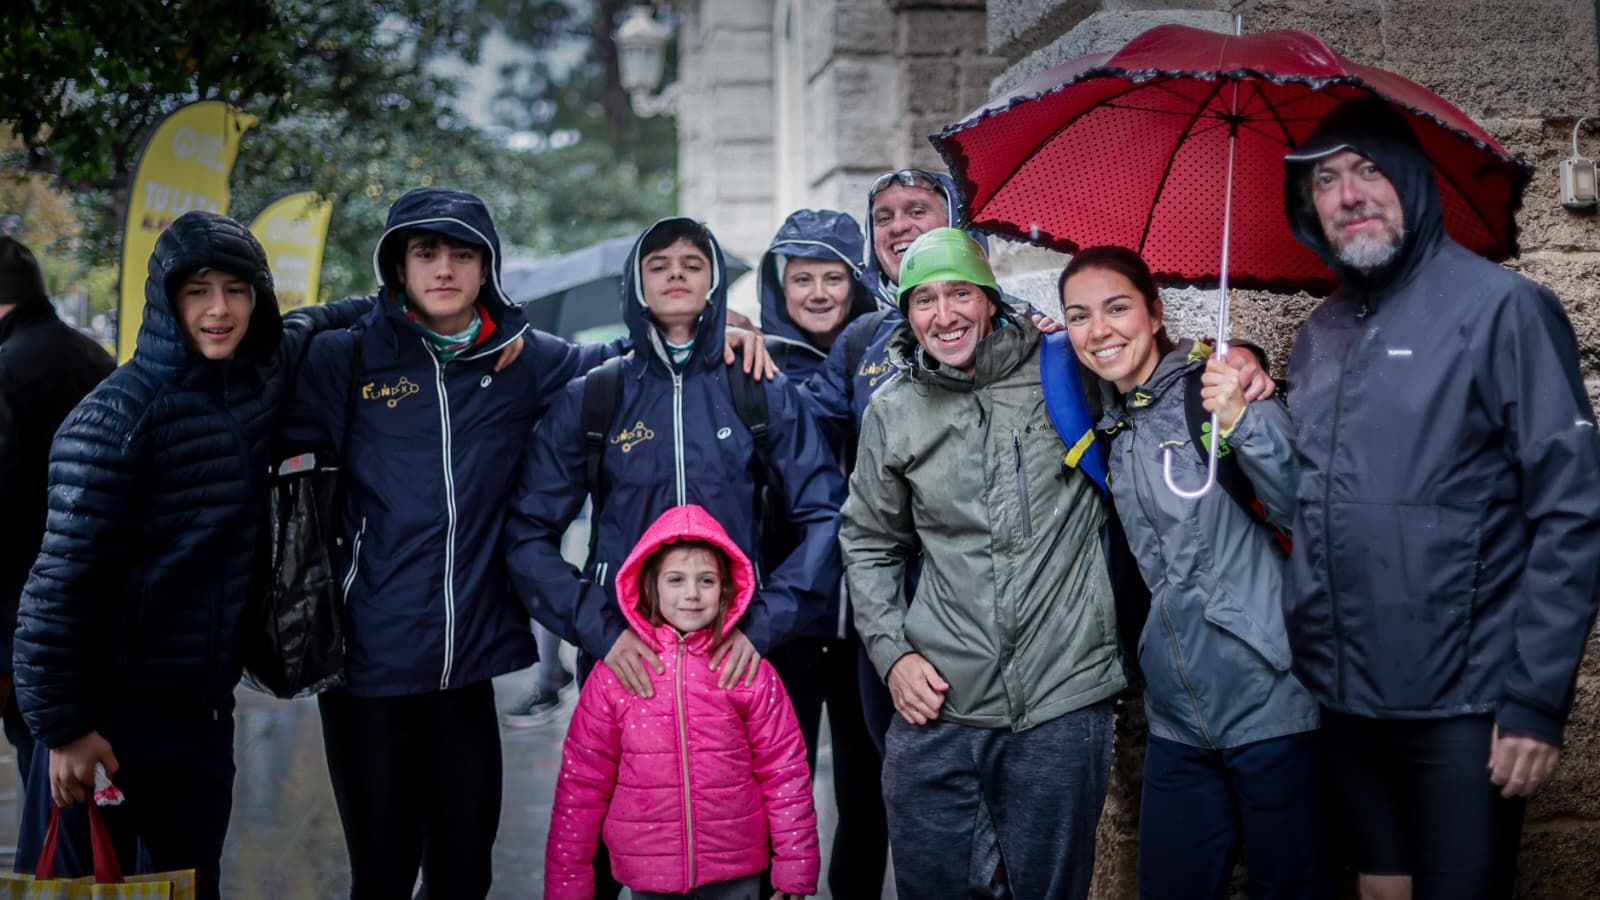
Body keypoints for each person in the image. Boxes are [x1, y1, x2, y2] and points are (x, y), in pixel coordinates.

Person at [1279, 97, 1600, 900]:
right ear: (1308, 207)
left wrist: (1534, 699)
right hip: (1345, 703)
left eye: (1369, 169)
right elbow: (1313, 501)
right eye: (1326, 180)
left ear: (1414, 184)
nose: (1349, 194)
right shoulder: (1318, 335)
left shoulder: (1503, 309)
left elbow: (1573, 510)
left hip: (1467, 707)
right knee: (1381, 893)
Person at [11, 211, 372, 899]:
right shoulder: (114, 419)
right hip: (108, 721)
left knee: (188, 887)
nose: (218, 309)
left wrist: (418, 302)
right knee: (95, 891)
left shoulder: (257, 376)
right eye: (197, 290)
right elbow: (57, 589)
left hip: (201, 717)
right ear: (165, 301)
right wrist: (63, 729)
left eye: (237, 290)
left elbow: (317, 321)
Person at [505, 216, 843, 899]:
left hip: (736, 650)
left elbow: (824, 514)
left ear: (716, 280)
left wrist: (764, 623)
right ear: (638, 284)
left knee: (746, 823)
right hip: (624, 653)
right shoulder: (596, 394)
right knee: (607, 819)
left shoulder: (758, 385)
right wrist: (600, 628)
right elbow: (527, 531)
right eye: (659, 263)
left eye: (694, 260)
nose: (677, 273)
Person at [840, 227, 1126, 899]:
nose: (945, 315)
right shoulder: (893, 412)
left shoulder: (1068, 370)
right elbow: (869, 540)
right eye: (925, 300)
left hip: (1063, 694)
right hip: (941, 702)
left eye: (960, 294)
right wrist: (892, 653)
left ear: (991, 300)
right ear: (906, 315)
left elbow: (1153, 370)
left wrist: (1245, 361)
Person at [1061, 245, 1326, 900]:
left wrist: (1241, 418)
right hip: (1179, 719)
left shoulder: (1217, 393)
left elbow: (1308, 516)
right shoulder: (1113, 423)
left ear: (1154, 313)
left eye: (1117, 307)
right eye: (1078, 315)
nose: (1099, 330)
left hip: (1274, 703)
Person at [545, 504, 819, 900]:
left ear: (727, 588)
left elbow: (785, 774)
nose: (691, 593)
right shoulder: (616, 676)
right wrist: (567, 887)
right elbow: (582, 786)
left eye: (706, 580)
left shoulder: (748, 670)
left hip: (736, 872)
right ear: (649, 585)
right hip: (647, 875)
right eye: (676, 579)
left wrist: (794, 869)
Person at [755, 208, 888, 897]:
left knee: (869, 786)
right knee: (780, 778)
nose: (815, 292)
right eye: (800, 277)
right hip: (789, 612)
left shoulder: (884, 352)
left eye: (831, 276)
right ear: (777, 283)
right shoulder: (751, 357)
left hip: (870, 614)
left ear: (855, 280)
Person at [0, 237, 114, 788]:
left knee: (41, 772)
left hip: (26, 617)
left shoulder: (5, 367)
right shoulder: (94, 355)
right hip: (103, 607)